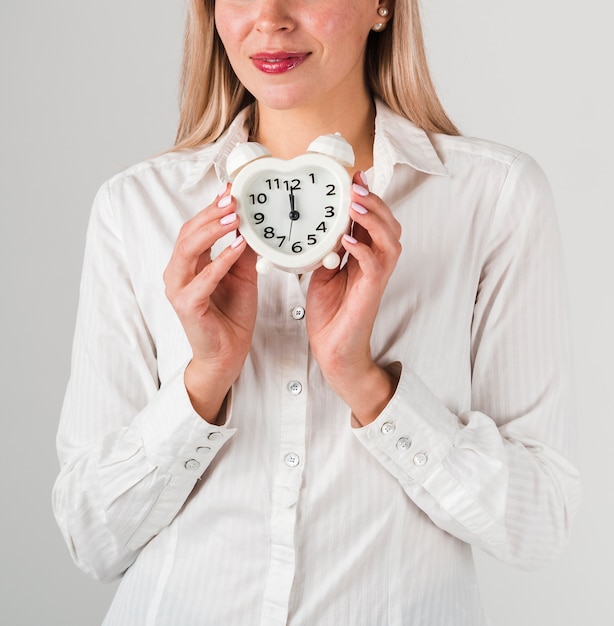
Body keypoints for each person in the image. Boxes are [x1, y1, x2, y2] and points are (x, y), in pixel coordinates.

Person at [52, 1, 582, 624]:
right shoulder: (135, 207)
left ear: (382, 5)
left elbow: (538, 525)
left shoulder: (492, 200)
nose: (270, 18)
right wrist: (205, 380)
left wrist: (368, 385)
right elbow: (92, 538)